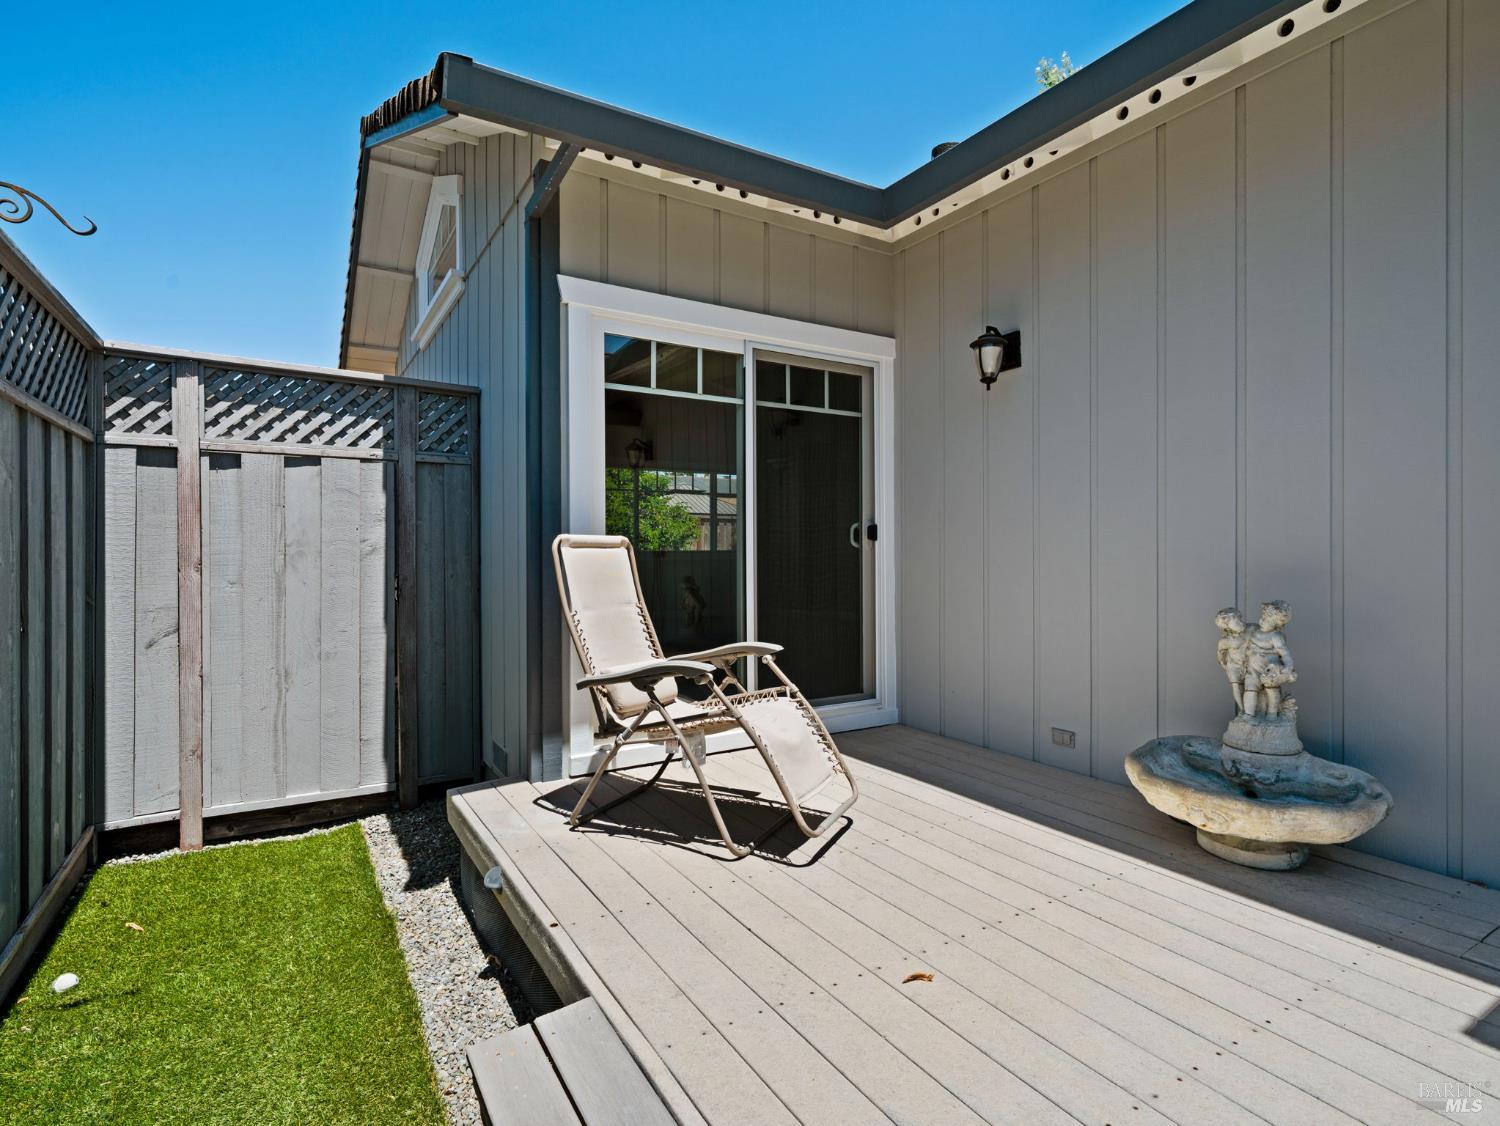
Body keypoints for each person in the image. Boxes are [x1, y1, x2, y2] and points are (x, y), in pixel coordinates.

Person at [1242, 600, 1296, 718]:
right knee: (1249, 689)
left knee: (1272, 691)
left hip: (1270, 670)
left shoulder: (1276, 637)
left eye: (1266, 620)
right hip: (1253, 669)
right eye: (1262, 617)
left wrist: (1288, 667)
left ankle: (1272, 714)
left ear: (1276, 624)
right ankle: (1248, 714)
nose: (1261, 621)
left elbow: (1285, 654)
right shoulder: (1255, 631)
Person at [1214, 607, 1248, 713]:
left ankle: (1252, 711)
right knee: (1237, 686)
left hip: (1250, 664)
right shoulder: (1225, 641)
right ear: (1227, 627)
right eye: (1237, 621)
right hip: (1234, 666)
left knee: (1252, 688)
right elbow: (1220, 655)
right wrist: (1225, 666)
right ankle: (1243, 710)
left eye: (1241, 618)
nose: (1241, 622)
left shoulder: (1252, 629)